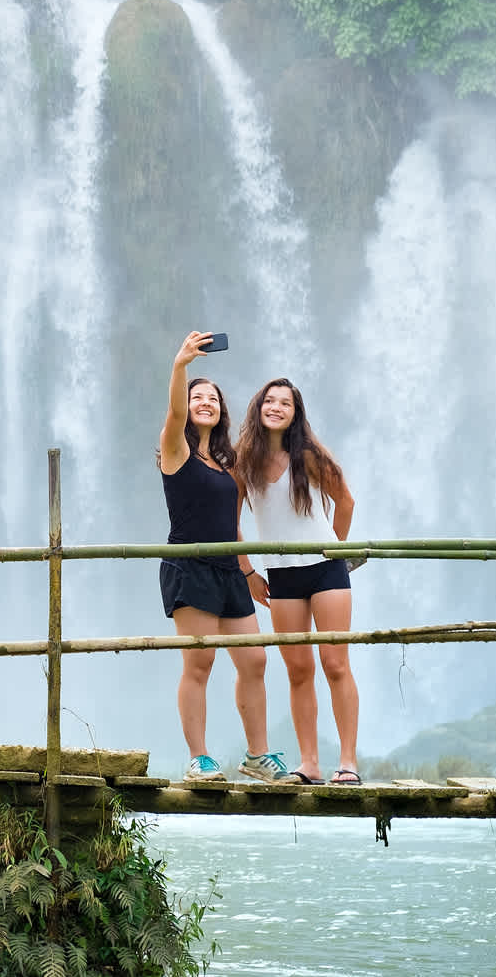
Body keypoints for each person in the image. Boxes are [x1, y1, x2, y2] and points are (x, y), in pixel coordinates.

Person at [157, 331, 288, 782]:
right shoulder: (175, 451)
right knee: (200, 662)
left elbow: (232, 525)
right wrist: (181, 366)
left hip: (229, 570)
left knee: (254, 660)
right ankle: (200, 757)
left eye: (212, 397)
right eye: (198, 397)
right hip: (189, 567)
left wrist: (248, 571)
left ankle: (257, 756)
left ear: (222, 410)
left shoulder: (227, 463)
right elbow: (175, 412)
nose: (205, 402)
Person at [238, 376, 361, 785]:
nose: (275, 407)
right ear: (258, 409)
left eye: (284, 403)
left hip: (326, 570)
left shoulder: (307, 456)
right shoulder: (243, 462)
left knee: (335, 663)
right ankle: (309, 764)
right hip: (281, 574)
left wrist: (337, 551)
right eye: (269, 401)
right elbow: (228, 522)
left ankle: (347, 763)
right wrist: (249, 571)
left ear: (295, 413)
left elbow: (345, 501)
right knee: (297, 669)